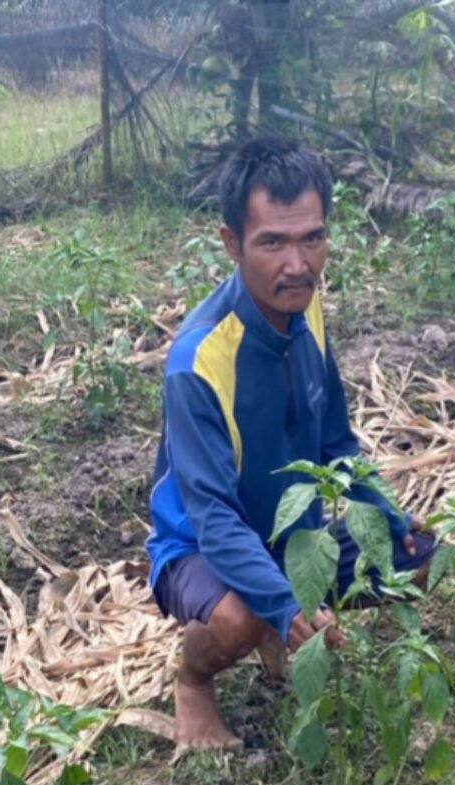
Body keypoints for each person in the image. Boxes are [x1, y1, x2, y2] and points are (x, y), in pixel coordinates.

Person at [147, 138, 434, 750]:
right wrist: (283, 606)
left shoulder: (307, 311)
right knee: (241, 616)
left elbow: (337, 441)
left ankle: (275, 620)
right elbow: (213, 517)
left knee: (418, 553)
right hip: (200, 546)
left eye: (313, 238)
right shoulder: (198, 360)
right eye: (272, 243)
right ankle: (194, 681)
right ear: (232, 244)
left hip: (290, 534)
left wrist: (385, 509)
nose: (298, 264)